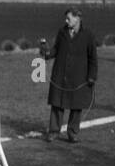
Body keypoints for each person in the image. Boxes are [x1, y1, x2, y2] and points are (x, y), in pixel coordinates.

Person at [41, 8, 97, 142]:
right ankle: (54, 132)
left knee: (76, 106)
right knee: (57, 104)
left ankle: (72, 133)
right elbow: (56, 49)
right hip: (60, 74)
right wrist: (48, 54)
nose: (66, 21)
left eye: (68, 18)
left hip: (79, 77)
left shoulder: (88, 35)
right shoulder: (62, 32)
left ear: (77, 18)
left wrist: (92, 76)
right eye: (66, 19)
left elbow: (93, 58)